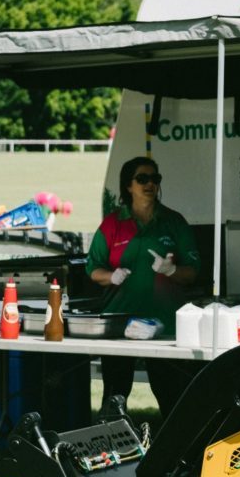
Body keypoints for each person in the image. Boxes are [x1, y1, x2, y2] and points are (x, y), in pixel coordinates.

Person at [87, 157, 201, 416]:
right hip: (119, 326)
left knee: (172, 396)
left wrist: (171, 270)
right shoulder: (112, 224)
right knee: (114, 398)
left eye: (155, 179)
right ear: (128, 186)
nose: (150, 184)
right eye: (142, 179)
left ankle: (177, 452)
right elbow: (93, 268)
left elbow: (193, 272)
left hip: (165, 326)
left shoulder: (174, 221)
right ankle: (111, 450)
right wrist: (111, 276)